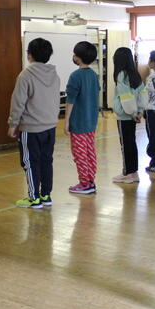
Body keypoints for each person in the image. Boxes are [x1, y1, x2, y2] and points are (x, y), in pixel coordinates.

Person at [8, 38, 61, 209]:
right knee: (46, 161)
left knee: (30, 162)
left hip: (31, 128)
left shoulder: (26, 75)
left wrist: (13, 124)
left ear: (29, 55)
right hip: (50, 127)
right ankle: (46, 195)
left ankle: (34, 198)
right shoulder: (54, 75)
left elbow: (18, 102)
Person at [65, 41, 100, 194]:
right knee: (90, 152)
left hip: (79, 122)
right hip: (91, 121)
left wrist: (66, 121)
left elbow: (70, 100)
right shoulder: (94, 75)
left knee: (79, 154)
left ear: (78, 58)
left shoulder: (75, 76)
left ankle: (84, 183)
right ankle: (90, 180)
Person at [112, 47, 147, 184]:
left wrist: (132, 113)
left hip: (125, 115)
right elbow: (142, 93)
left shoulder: (121, 75)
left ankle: (128, 173)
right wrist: (139, 111)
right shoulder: (135, 74)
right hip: (133, 114)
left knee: (126, 145)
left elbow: (125, 96)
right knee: (131, 143)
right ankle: (133, 172)